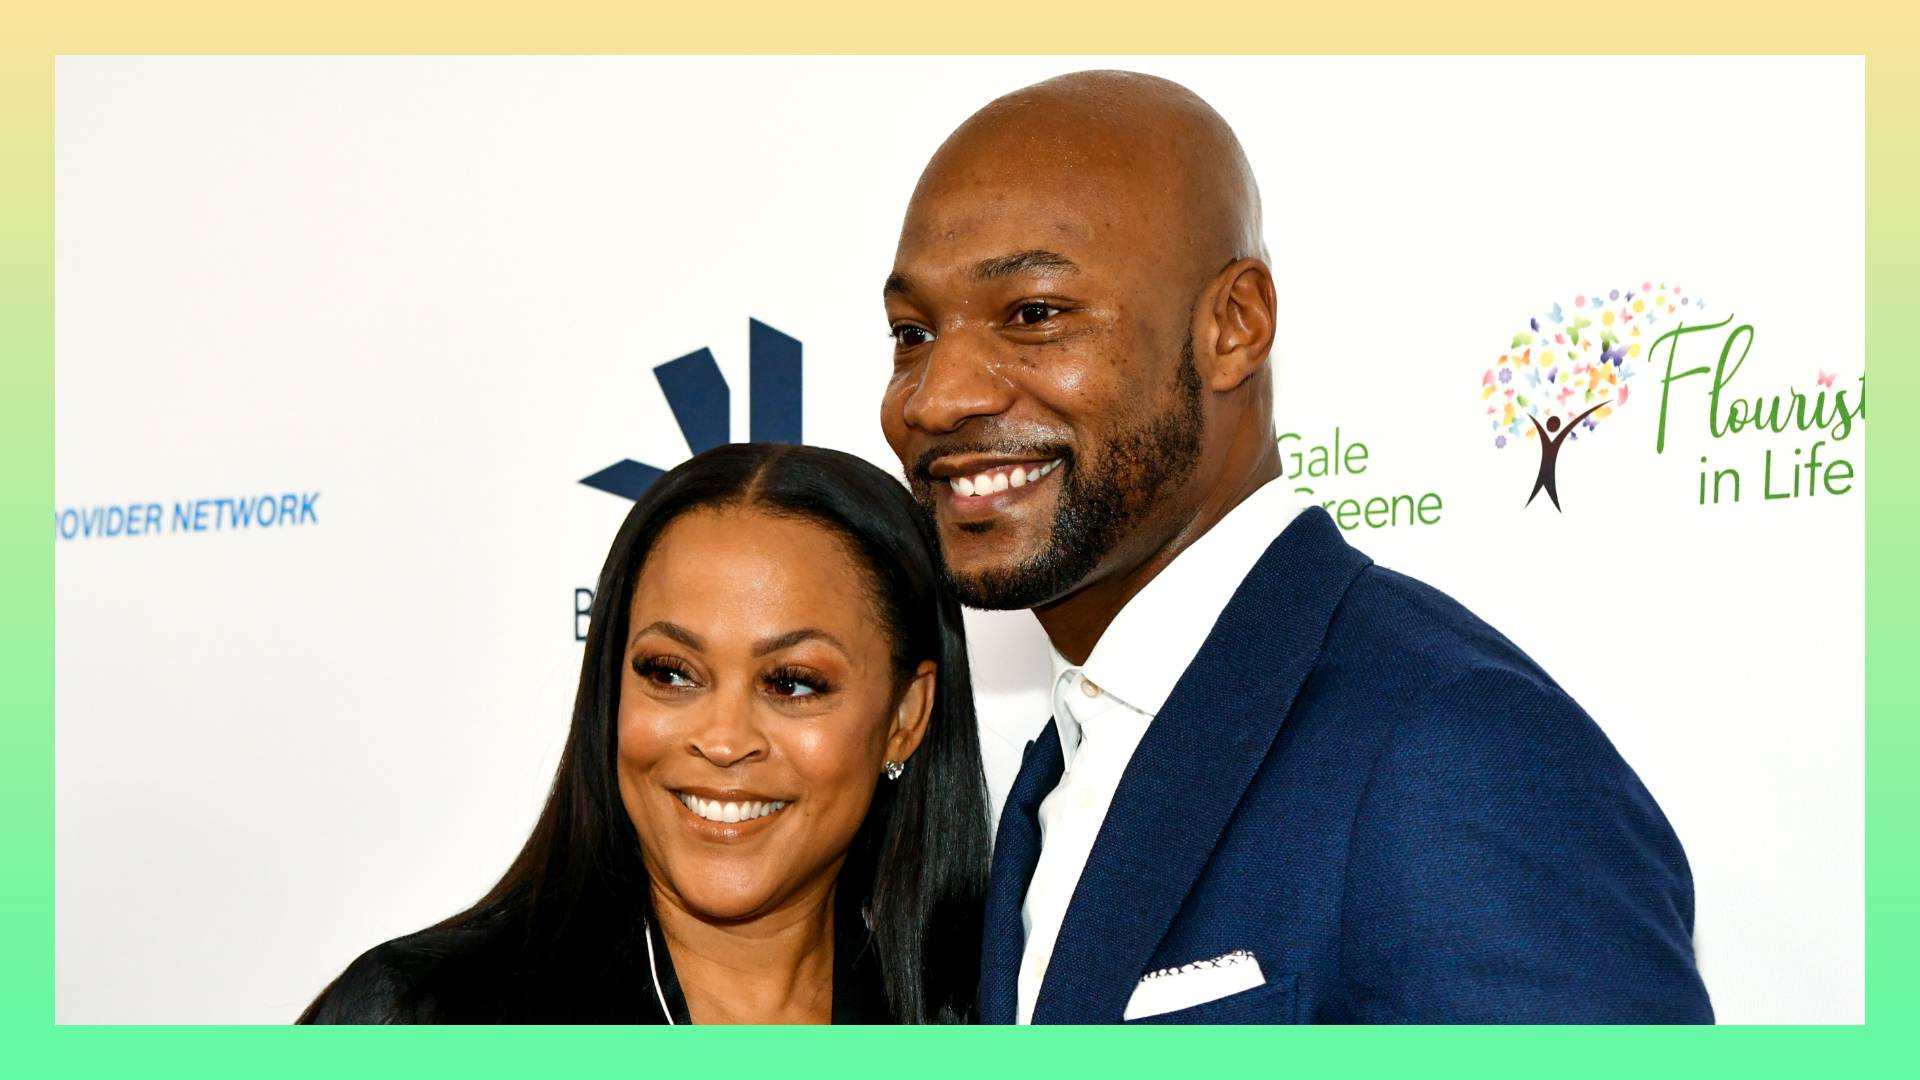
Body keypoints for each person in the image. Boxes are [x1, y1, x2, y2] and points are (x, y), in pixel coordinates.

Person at [879, 70, 1713, 1024]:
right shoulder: (1062, 760)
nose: (933, 398)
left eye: (1033, 314)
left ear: (1235, 326)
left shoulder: (1453, 751)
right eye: (911, 332)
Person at [300, 444, 991, 1023]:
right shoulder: (425, 1019)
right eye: (672, 673)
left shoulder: (981, 1018)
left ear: (904, 718)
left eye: (792, 683)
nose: (722, 740)